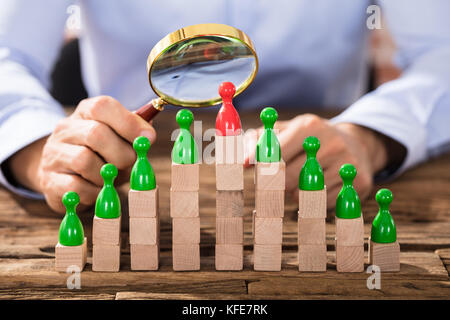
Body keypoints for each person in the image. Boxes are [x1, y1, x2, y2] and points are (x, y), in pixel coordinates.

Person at [1, 0, 449, 213]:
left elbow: (442, 53)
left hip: (321, 162)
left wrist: (367, 138)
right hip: (126, 163)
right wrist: (42, 152)